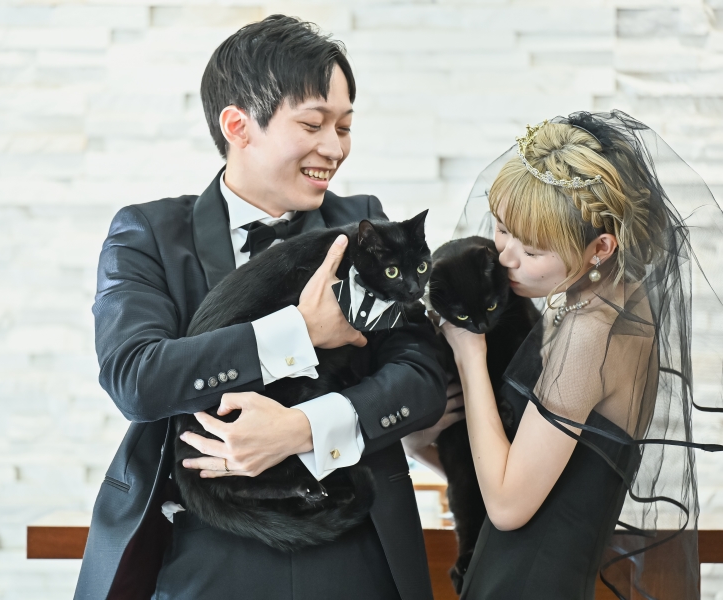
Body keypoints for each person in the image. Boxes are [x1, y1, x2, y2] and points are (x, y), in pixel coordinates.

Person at [74, 15, 451, 600]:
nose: (335, 148)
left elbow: (421, 380)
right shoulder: (148, 234)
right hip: (200, 546)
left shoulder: (364, 224)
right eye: (313, 124)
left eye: (345, 127)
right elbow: (137, 379)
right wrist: (299, 332)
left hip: (355, 544)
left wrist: (304, 429)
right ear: (238, 125)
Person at [409, 111, 723, 599]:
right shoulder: (612, 301)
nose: (506, 257)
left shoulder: (591, 333)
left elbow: (508, 506)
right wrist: (421, 448)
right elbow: (534, 472)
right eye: (502, 229)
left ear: (601, 246)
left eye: (532, 251)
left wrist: (469, 354)